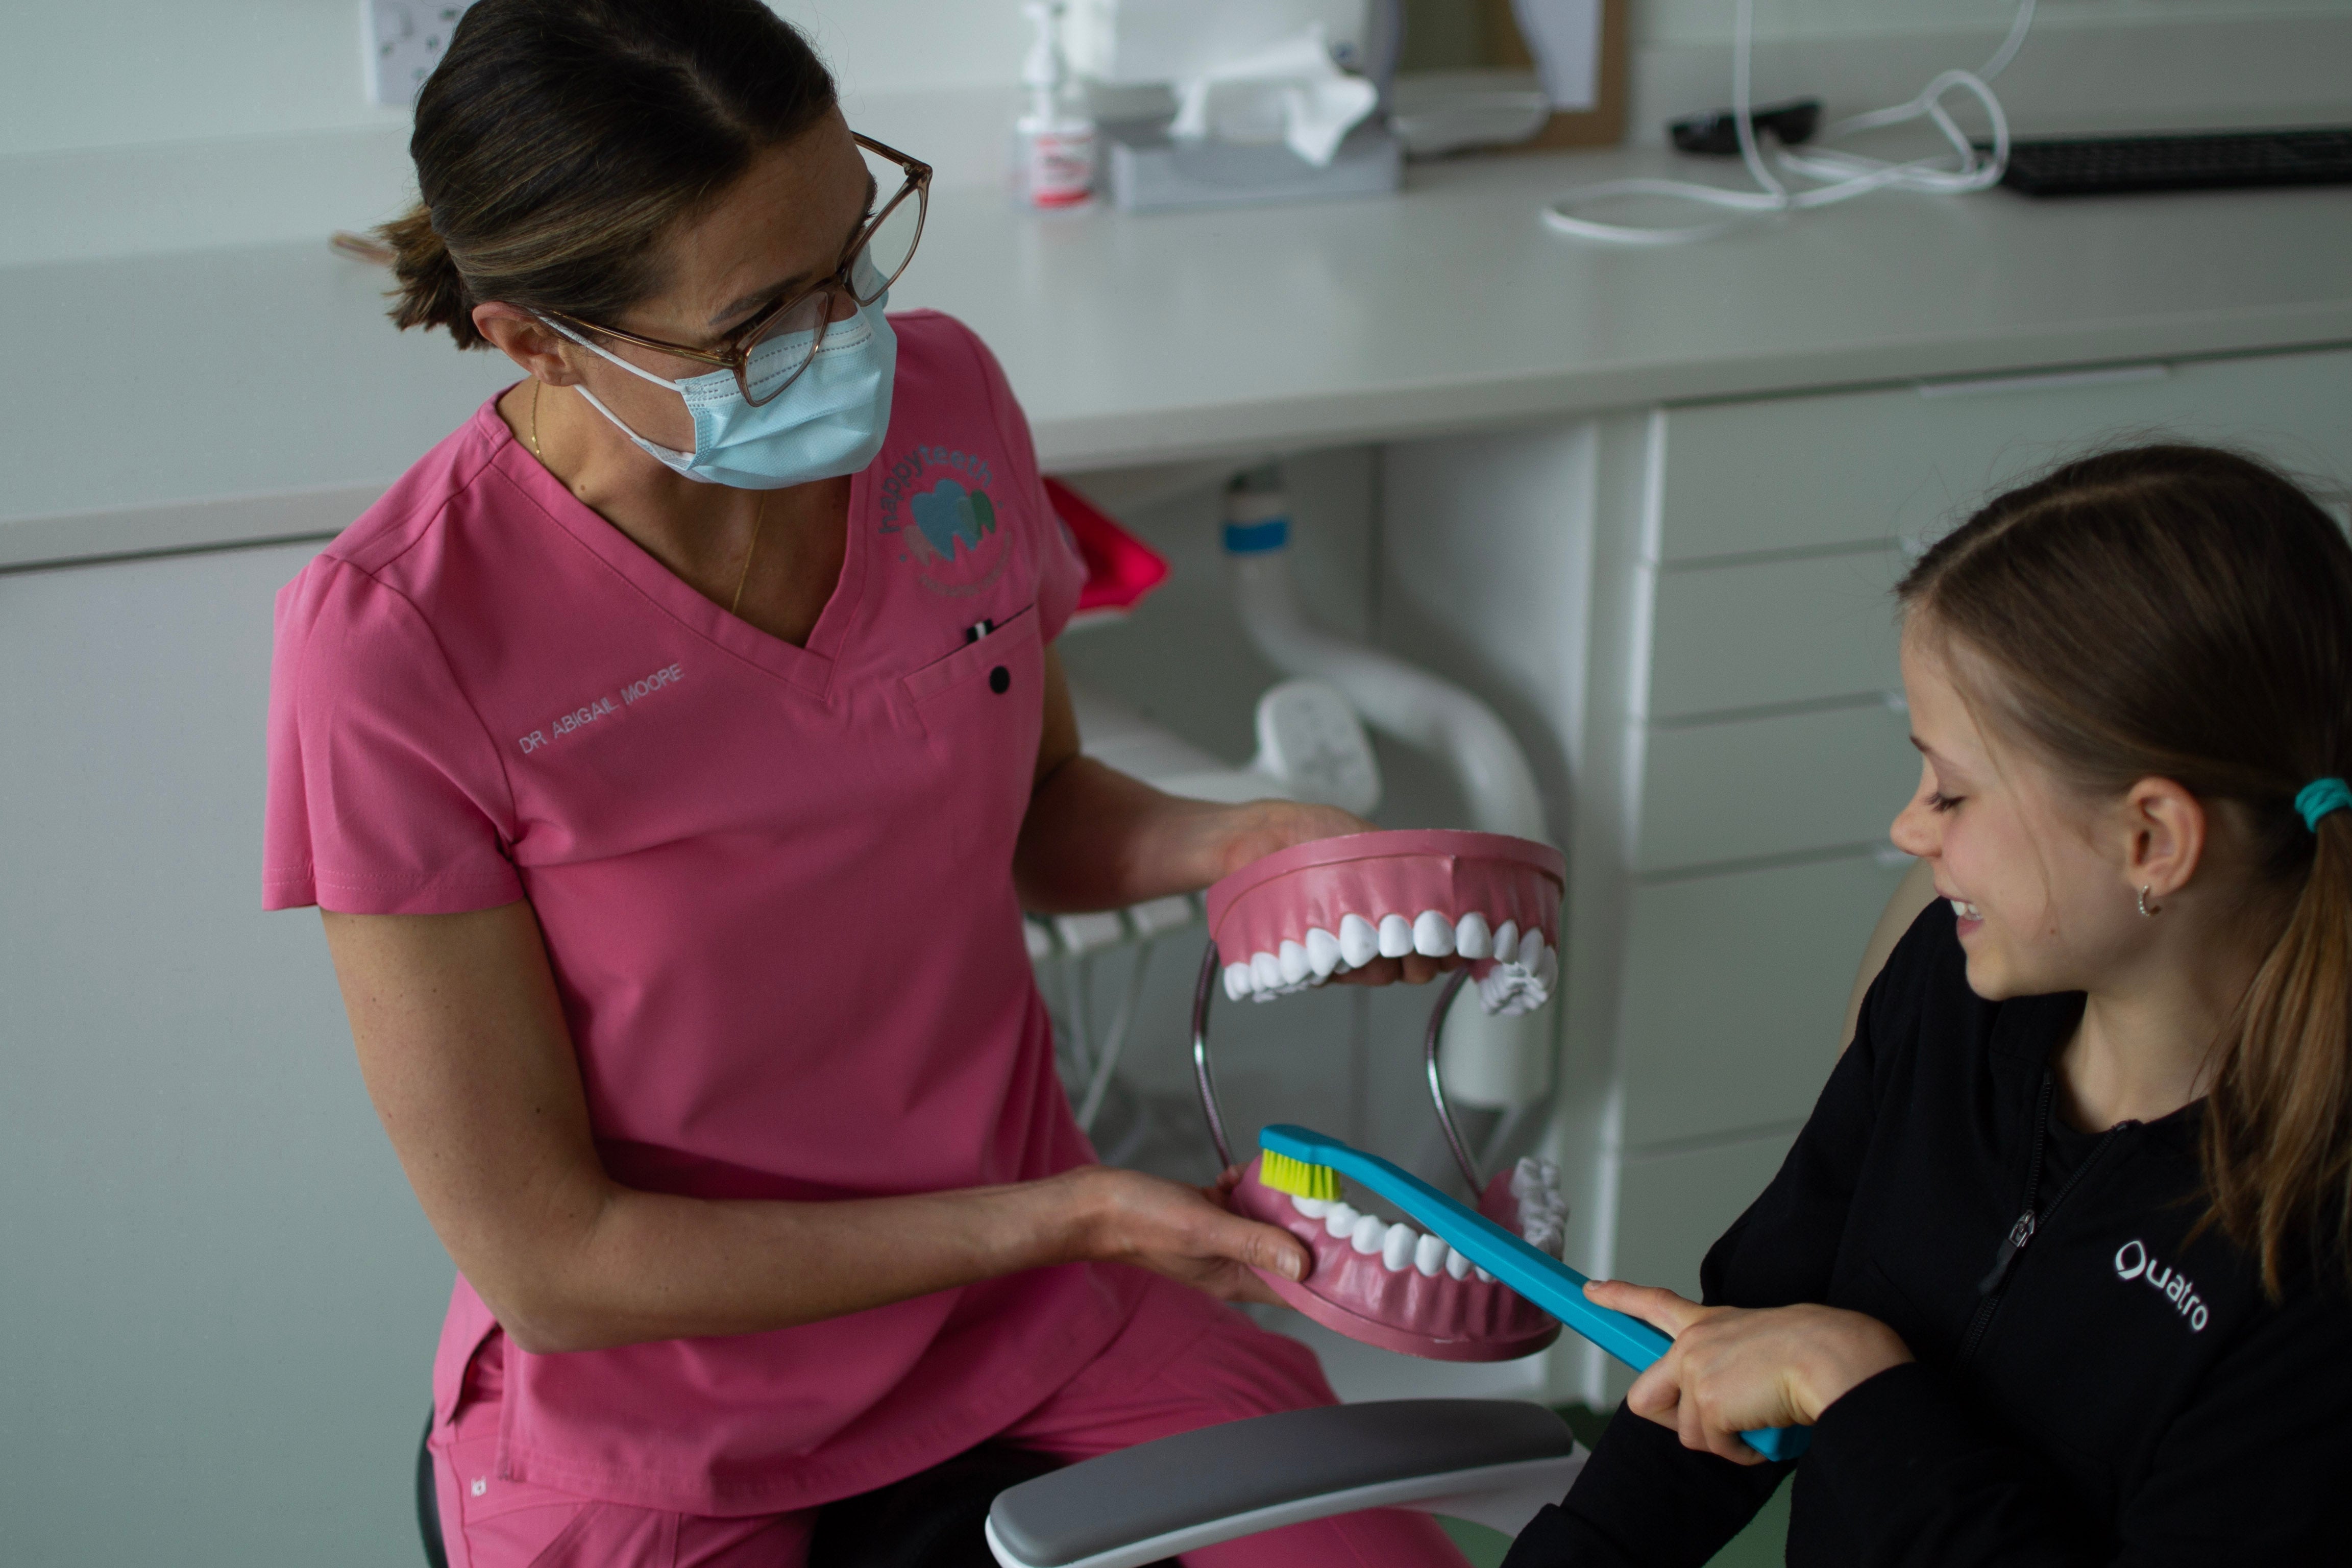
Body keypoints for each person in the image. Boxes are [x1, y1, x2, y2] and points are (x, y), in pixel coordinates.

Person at [261, 3, 1469, 1563]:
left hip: (1034, 1314)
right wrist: (1079, 1213)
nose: (847, 337)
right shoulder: (401, 641)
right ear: (538, 338)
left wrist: (1263, 847)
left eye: (857, 252)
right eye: (764, 317)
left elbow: (1037, 815)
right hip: (665, 1401)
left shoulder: (946, 409)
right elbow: (553, 1259)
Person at [1504, 445, 2352, 1565]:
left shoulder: (2316, 1248)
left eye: (1950, 791)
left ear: (2151, 839)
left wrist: (1858, 1388)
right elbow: (1746, 1335)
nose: (1912, 830)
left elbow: (1818, 1364)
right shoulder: (1954, 1000)